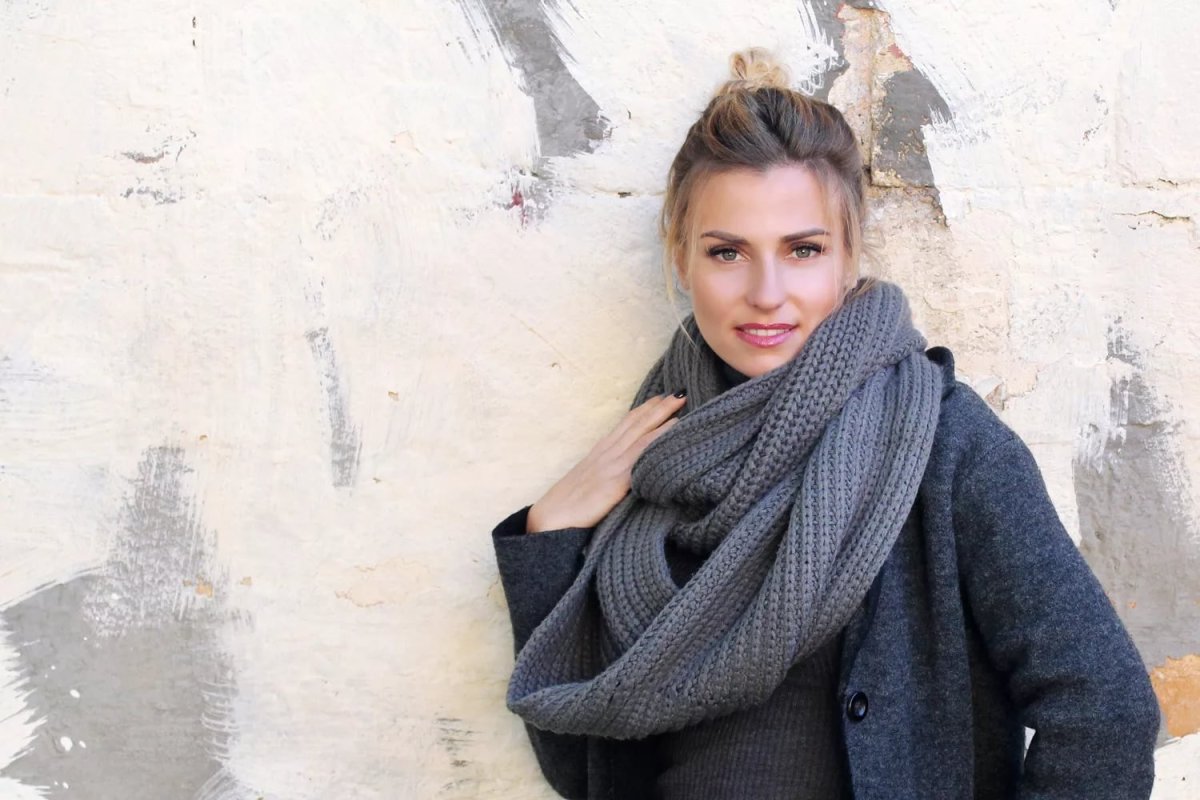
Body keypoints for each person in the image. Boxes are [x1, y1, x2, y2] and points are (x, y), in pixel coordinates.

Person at [490, 48, 1160, 800]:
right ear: (681, 260)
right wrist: (550, 538)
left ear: (848, 257)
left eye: (803, 250)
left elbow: (1104, 711)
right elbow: (584, 768)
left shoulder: (942, 442)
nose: (766, 292)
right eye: (727, 252)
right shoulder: (658, 461)